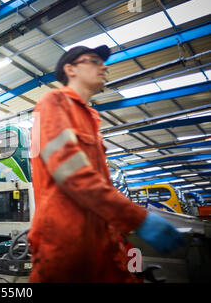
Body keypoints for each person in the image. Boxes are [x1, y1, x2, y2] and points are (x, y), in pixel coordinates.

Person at [28, 45, 185, 283]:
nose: (104, 67)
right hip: (65, 245)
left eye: (103, 63)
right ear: (70, 69)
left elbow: (101, 185)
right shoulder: (52, 103)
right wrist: (137, 218)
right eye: (93, 60)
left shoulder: (91, 118)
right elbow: (72, 173)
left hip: (100, 242)